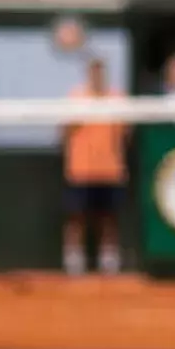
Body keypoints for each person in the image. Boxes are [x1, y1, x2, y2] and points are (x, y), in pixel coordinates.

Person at [60, 56, 127, 276]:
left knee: (109, 218)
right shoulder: (77, 98)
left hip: (110, 170)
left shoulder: (117, 98)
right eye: (93, 72)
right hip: (80, 170)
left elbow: (126, 133)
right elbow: (63, 132)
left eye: (101, 72)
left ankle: (108, 261)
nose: (97, 76)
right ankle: (73, 260)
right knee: (76, 217)